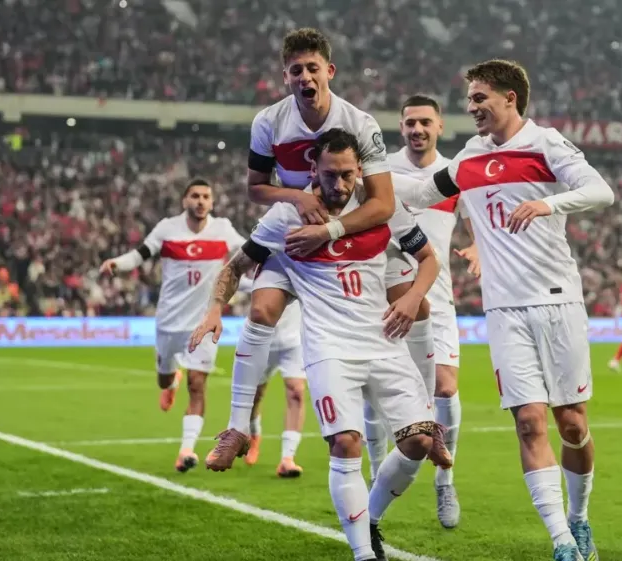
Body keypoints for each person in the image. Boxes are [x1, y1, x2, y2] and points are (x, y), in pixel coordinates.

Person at [190, 129, 449, 561]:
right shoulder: (286, 216)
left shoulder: (381, 206)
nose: (340, 184)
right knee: (345, 443)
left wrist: (412, 296)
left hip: (383, 342)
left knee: (418, 444)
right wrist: (215, 308)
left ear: (360, 169)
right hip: (330, 349)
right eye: (331, 174)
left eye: (348, 174)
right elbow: (236, 266)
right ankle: (363, 554)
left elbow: (429, 259)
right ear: (313, 169)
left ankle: (370, 517)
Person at [393, 59, 615, 561]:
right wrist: (366, 175)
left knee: (572, 424)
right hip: (504, 310)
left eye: (479, 98)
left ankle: (579, 518)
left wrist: (548, 204)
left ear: (509, 97)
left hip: (558, 301)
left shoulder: (546, 144)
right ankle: (562, 542)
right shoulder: (469, 157)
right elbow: (422, 192)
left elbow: (601, 191)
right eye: (469, 99)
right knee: (529, 423)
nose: (471, 107)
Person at [206, 27, 399, 469]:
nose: (305, 77)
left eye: (313, 68)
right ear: (285, 76)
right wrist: (297, 197)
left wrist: (329, 230)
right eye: (296, 70)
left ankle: (423, 413)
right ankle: (236, 428)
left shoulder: (360, 124)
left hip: (346, 237)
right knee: (260, 312)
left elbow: (383, 203)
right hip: (291, 233)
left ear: (330, 71)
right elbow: (256, 188)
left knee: (406, 310)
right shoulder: (268, 122)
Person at [98, 179, 247, 473]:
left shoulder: (223, 229)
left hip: (204, 322)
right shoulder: (167, 228)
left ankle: (186, 450)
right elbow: (140, 254)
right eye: (195, 196)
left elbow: (249, 250)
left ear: (212, 203)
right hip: (169, 321)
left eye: (206, 196)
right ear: (184, 201)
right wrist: (117, 263)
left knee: (198, 384)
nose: (200, 201)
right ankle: (171, 381)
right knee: (164, 381)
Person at [370, 94, 466, 528]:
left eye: (425, 122)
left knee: (445, 387)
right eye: (410, 122)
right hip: (385, 294)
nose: (417, 129)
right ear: (401, 126)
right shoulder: (381, 170)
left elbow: (479, 222)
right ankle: (376, 475)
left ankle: (445, 480)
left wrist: (478, 248)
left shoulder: (455, 174)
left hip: (437, 298)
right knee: (376, 395)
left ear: (440, 126)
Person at [241, 325, 307, 478]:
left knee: (296, 392)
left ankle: (287, 458)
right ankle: (253, 435)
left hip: (294, 340)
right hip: (261, 340)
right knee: (254, 395)